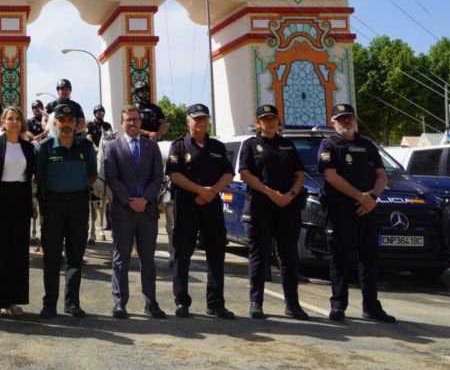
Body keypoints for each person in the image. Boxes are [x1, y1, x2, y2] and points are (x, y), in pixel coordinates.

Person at [318, 103, 395, 323]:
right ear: (332, 122)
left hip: (367, 209)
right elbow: (331, 176)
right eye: (341, 119)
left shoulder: (368, 145)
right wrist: (359, 197)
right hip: (341, 210)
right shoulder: (329, 144)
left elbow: (381, 175)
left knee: (369, 258)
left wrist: (371, 197)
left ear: (356, 119)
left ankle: (371, 306)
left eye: (349, 118)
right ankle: (338, 306)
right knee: (340, 257)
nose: (346, 122)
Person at [238, 105, 308, 320]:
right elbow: (245, 174)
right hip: (261, 205)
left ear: (278, 122)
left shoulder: (288, 145)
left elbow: (299, 174)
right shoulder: (251, 145)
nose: (269, 122)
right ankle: (256, 303)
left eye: (272, 119)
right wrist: (270, 192)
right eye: (264, 119)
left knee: (288, 256)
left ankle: (292, 305)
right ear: (258, 123)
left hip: (287, 206)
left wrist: (291, 194)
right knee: (259, 255)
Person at [166, 104, 235, 319]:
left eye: (204, 118)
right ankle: (182, 302)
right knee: (182, 253)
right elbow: (174, 175)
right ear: (188, 121)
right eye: (196, 119)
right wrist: (199, 190)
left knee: (216, 253)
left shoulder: (217, 146)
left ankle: (215, 303)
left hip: (212, 203)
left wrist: (211, 191)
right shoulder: (179, 146)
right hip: (186, 204)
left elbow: (228, 174)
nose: (201, 122)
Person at [103, 106, 167, 319]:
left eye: (136, 119)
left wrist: (146, 199)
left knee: (148, 259)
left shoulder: (152, 147)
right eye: (129, 120)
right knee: (121, 258)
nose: (133, 123)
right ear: (122, 123)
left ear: (141, 122)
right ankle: (120, 303)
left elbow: (157, 177)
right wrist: (130, 201)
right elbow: (112, 178)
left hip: (147, 211)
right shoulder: (112, 147)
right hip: (123, 210)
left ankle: (151, 302)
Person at [35, 102, 97, 318]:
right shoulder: (45, 148)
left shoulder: (86, 147)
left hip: (79, 205)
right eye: (62, 121)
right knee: (51, 256)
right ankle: (49, 303)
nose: (66, 124)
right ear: (55, 123)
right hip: (53, 206)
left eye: (70, 121)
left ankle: (72, 303)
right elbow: (40, 177)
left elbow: (92, 175)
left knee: (75, 256)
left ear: (76, 124)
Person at [0, 106, 36, 318]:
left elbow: (32, 175)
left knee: (18, 252)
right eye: (9, 118)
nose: (14, 122)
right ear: (3, 122)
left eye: (17, 119)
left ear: (22, 123)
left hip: (20, 200)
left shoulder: (28, 148)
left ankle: (12, 301)